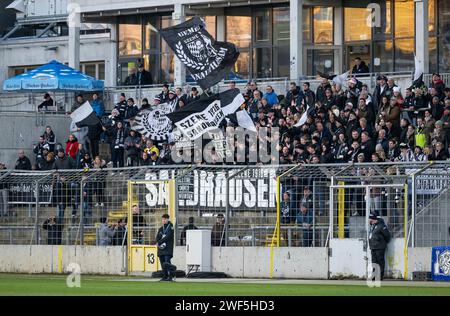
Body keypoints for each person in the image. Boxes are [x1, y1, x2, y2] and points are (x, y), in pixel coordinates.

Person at [368, 212, 391, 280]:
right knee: (374, 261)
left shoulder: (381, 226)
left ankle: (380, 275)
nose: (369, 221)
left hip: (379, 247)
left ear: (373, 219)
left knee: (380, 261)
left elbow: (387, 236)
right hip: (373, 247)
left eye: (370, 219)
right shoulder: (373, 226)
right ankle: (374, 275)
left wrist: (382, 243)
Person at [156, 214, 175, 281]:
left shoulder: (171, 227)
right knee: (162, 262)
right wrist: (158, 242)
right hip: (161, 249)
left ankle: (171, 276)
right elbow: (157, 237)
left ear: (168, 219)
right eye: (163, 219)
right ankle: (165, 276)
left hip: (168, 248)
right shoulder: (161, 228)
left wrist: (159, 242)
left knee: (167, 262)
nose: (163, 220)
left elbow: (168, 237)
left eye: (165, 219)